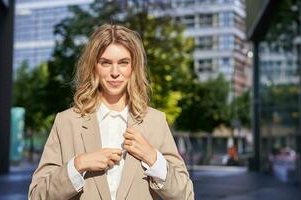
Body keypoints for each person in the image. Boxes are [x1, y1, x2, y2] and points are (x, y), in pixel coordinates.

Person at [28, 24, 194, 200]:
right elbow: (37, 195)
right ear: (94, 67)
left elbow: (185, 195)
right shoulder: (67, 122)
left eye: (123, 63)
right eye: (106, 63)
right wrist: (78, 164)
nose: (115, 73)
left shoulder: (155, 121)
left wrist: (153, 158)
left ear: (133, 67)